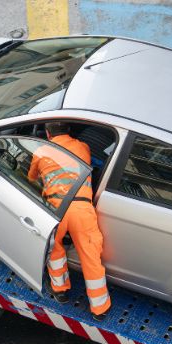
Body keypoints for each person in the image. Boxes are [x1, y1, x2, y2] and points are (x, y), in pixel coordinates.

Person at [27, 122, 111, 320]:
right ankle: (100, 309)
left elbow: (31, 178)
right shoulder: (83, 147)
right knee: (90, 257)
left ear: (47, 133)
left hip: (56, 210)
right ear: (70, 131)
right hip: (82, 208)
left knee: (54, 250)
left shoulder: (41, 151)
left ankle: (61, 290)